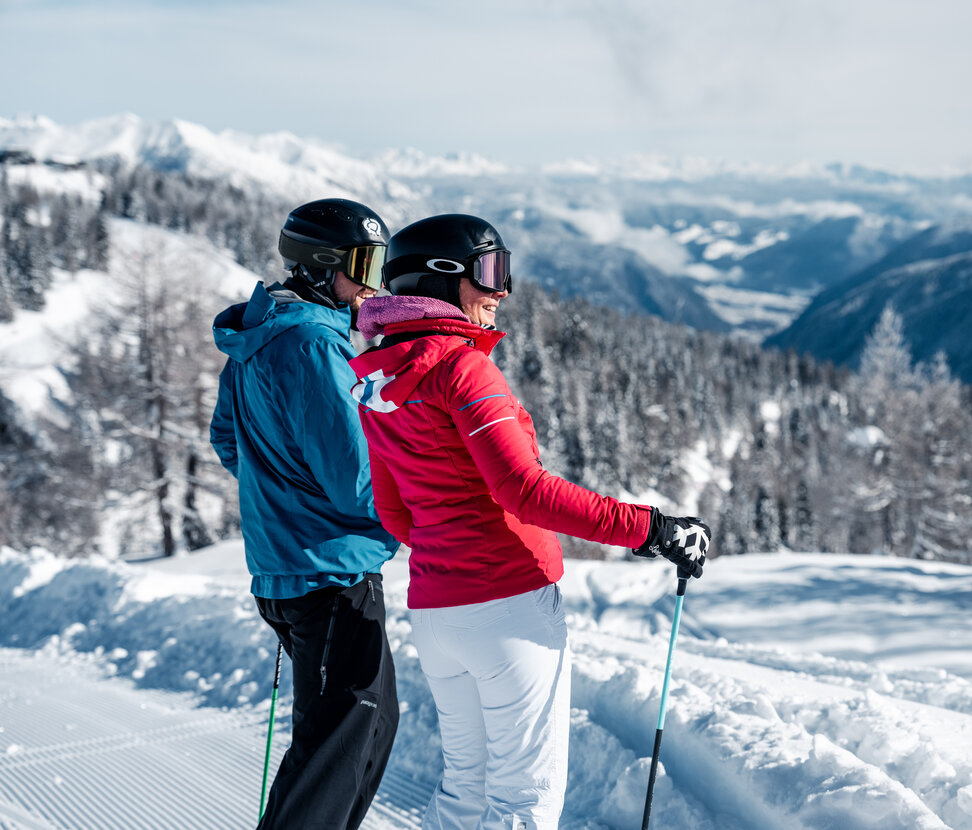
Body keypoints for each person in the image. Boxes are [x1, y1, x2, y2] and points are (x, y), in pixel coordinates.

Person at [347, 213, 710, 830]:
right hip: (508, 607)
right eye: (491, 271)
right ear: (444, 278)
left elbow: (393, 511)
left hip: (436, 612)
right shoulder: (462, 368)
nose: (501, 292)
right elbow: (525, 491)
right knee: (523, 806)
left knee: (463, 793)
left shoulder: (379, 379)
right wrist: (652, 529)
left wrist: (452, 546)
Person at [209, 197, 402, 830]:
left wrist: (282, 496)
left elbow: (229, 442)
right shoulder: (318, 347)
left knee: (360, 734)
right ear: (324, 266)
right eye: (363, 265)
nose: (371, 284)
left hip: (292, 569)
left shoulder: (259, 337)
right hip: (330, 575)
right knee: (335, 753)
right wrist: (420, 517)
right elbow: (356, 479)